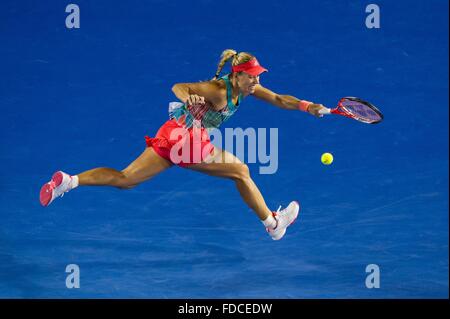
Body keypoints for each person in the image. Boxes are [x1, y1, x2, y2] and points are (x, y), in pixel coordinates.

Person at [39, 49, 327, 240]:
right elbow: (179, 86)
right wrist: (185, 96)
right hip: (187, 140)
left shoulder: (245, 87)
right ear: (236, 75)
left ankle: (69, 181)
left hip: (171, 131)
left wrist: (308, 106)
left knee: (126, 179)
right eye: (251, 77)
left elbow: (278, 99)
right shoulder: (217, 91)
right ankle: (273, 225)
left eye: (257, 77)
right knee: (240, 171)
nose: (255, 82)